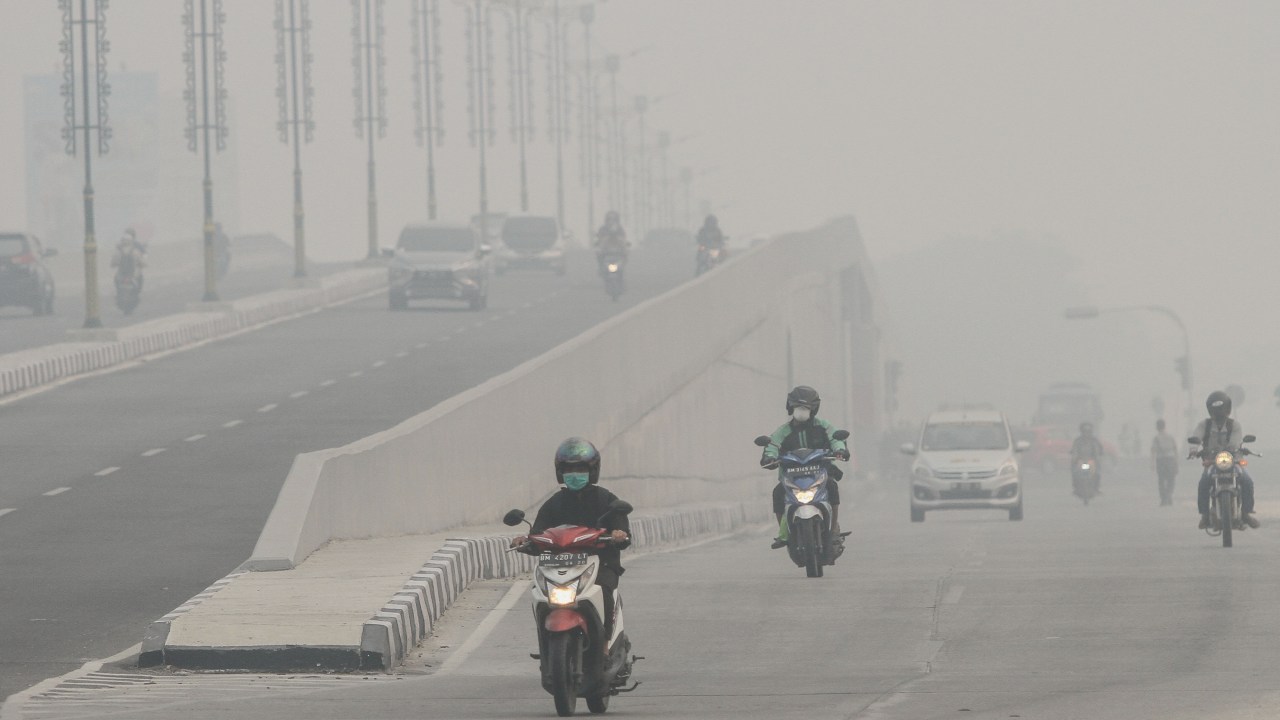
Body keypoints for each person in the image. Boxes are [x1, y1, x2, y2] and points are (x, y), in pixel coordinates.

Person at [510, 438, 631, 634]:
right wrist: (525, 541)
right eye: (569, 470)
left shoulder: (606, 500)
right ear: (560, 473)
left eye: (580, 470)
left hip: (601, 564)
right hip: (558, 566)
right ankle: (545, 641)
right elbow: (537, 534)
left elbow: (624, 536)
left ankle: (606, 644)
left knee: (604, 592)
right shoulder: (554, 503)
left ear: (592, 471)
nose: (574, 475)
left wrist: (619, 535)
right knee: (539, 596)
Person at [759, 386, 850, 549]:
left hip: (819, 473)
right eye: (797, 407)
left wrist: (839, 449)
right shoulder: (783, 431)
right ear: (790, 408)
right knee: (778, 493)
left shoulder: (823, 426)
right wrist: (769, 456)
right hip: (791, 477)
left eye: (805, 408)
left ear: (813, 409)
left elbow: (835, 438)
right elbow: (773, 444)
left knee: (832, 486)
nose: (801, 411)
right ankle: (784, 532)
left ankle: (834, 528)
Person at [1193, 391, 1258, 529]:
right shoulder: (1204, 425)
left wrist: (1232, 450)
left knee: (1247, 481)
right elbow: (1196, 438)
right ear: (1210, 410)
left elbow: (1235, 442)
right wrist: (1194, 450)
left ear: (1227, 409)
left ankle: (1246, 513)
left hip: (1233, 461)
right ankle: (1204, 515)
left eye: (1221, 408)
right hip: (1211, 462)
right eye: (1215, 409)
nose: (1219, 412)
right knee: (1203, 483)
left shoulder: (1234, 425)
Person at [1150, 419, 1179, 506]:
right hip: (1171, 459)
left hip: (1161, 460)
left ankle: (1163, 498)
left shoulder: (1156, 438)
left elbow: (1153, 451)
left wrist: (1152, 463)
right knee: (1171, 479)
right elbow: (1175, 449)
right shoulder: (1170, 437)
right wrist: (1176, 463)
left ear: (1157, 427)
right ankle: (1169, 495)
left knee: (1161, 480)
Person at [1070, 422, 1105, 492]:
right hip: (1080, 460)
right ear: (1082, 431)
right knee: (1075, 472)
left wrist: (1100, 454)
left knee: (1097, 472)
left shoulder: (1094, 440)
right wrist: (1074, 456)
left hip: (1092, 460)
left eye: (1088, 431)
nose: (1086, 433)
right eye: (1085, 431)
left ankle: (1097, 487)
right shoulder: (1078, 441)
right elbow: (1074, 449)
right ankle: (1076, 487)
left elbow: (1099, 448)